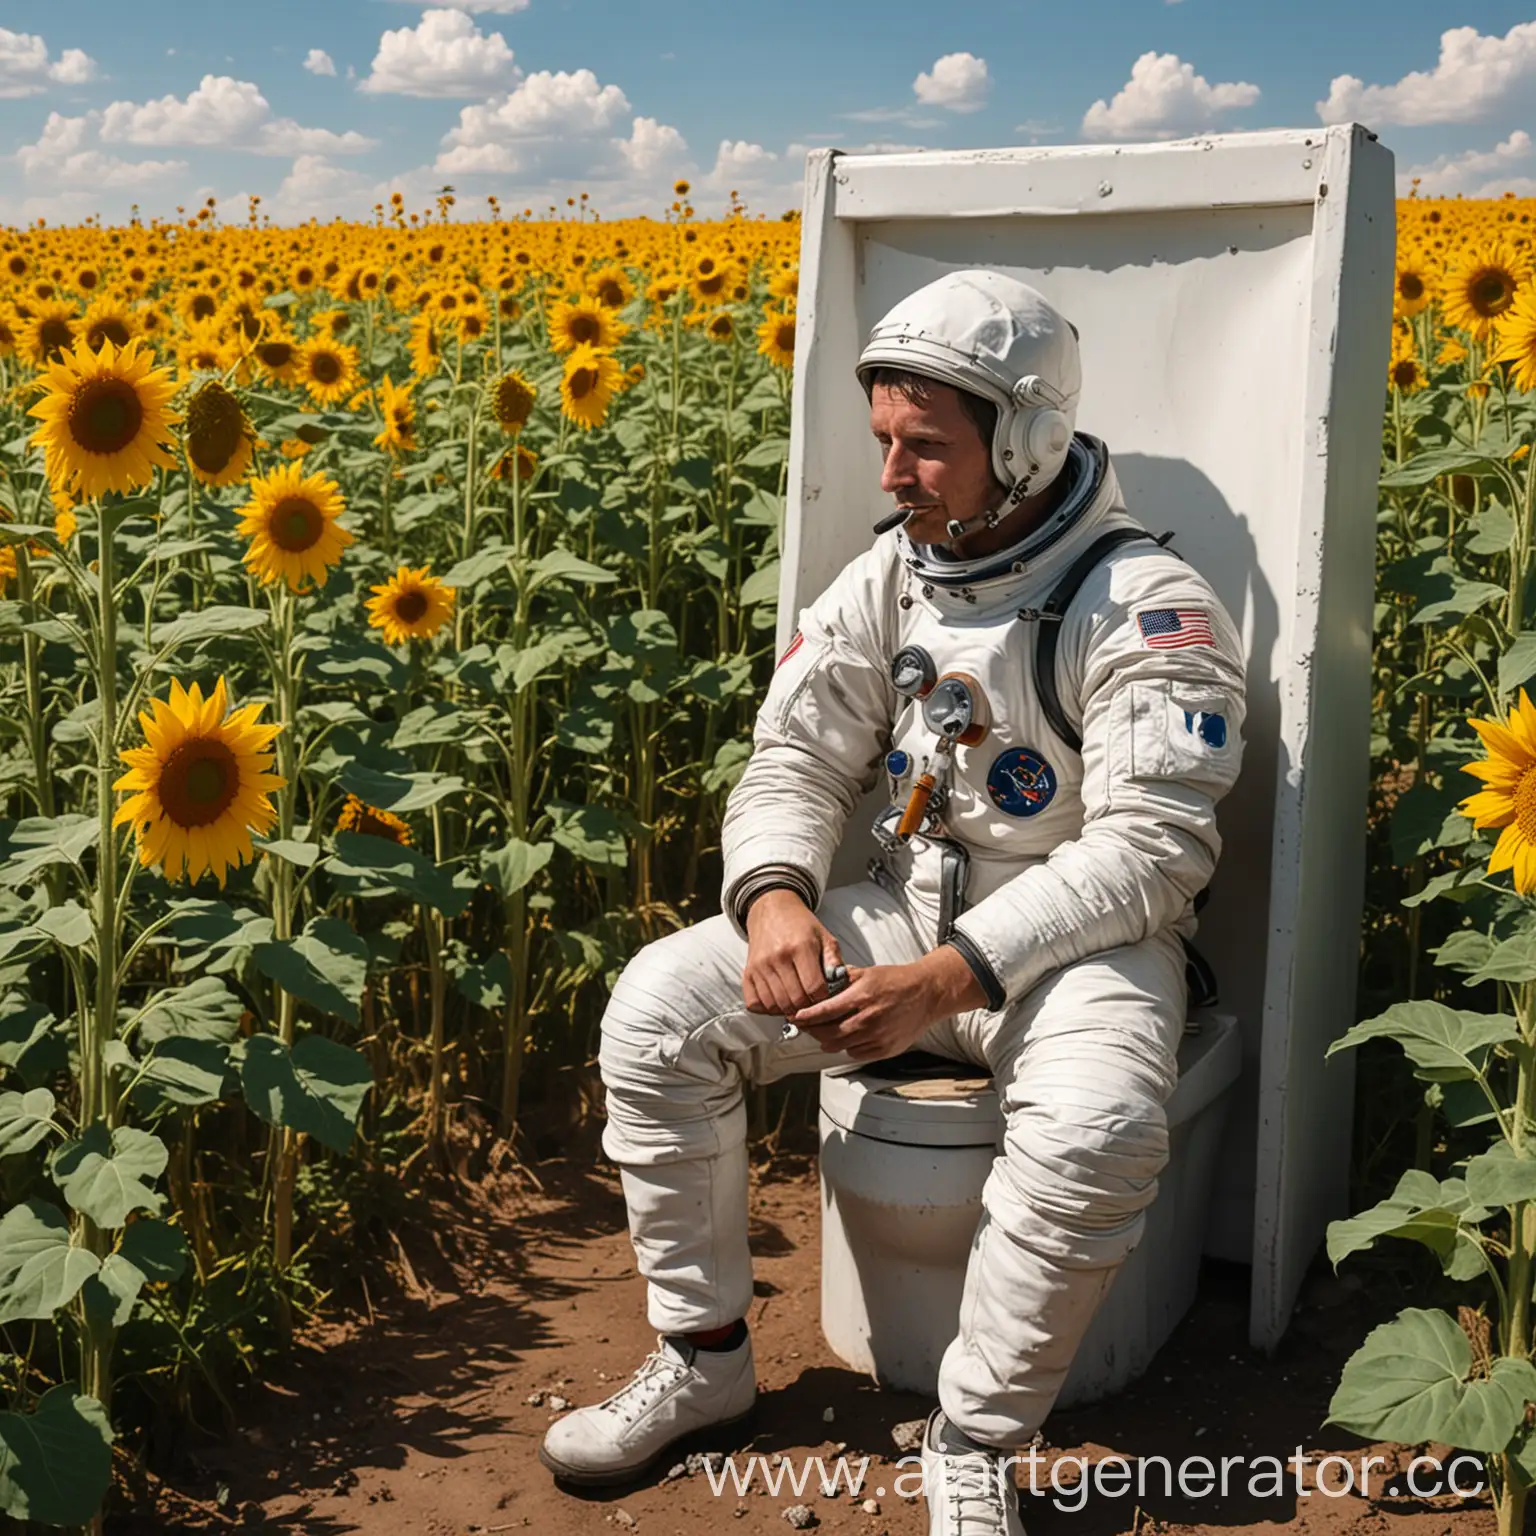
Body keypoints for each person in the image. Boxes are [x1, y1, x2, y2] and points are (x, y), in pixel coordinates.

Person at [539, 269, 1247, 1534]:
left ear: (1025, 444)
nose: (894, 476)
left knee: (1091, 1134)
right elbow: (796, 760)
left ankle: (973, 1443)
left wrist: (955, 972)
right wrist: (773, 899)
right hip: (905, 915)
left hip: (1084, 952)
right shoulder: (892, 581)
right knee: (657, 1011)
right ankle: (703, 1361)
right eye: (884, 443)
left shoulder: (1142, 603)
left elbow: (1152, 850)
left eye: (927, 446)